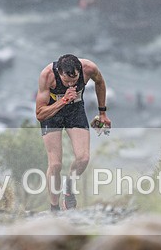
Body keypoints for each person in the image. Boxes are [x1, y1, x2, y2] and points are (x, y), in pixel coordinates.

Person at [35, 54, 111, 211]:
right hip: (52, 114)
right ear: (59, 72)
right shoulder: (47, 75)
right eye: (66, 81)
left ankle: (68, 187)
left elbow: (100, 82)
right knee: (55, 164)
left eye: (74, 80)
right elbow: (40, 114)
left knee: (83, 158)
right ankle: (54, 207)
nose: (71, 84)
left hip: (75, 111)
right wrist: (63, 100)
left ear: (79, 71)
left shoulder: (89, 68)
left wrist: (102, 113)